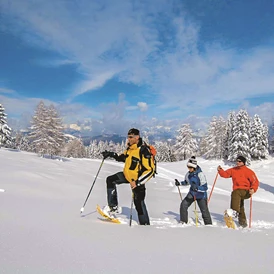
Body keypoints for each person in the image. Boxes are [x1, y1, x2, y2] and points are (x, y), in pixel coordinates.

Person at [101, 128, 154, 225]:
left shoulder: (143, 151)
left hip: (137, 181)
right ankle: (113, 207)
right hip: (126, 176)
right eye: (128, 137)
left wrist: (137, 182)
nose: (129, 139)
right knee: (110, 180)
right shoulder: (130, 148)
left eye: (131, 137)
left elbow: (150, 170)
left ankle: (145, 225)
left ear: (137, 137)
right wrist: (111, 154)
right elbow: (122, 158)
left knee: (139, 203)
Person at [217, 155, 259, 227]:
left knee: (236, 193)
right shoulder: (234, 170)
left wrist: (253, 189)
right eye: (237, 161)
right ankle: (243, 222)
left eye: (240, 161)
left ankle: (234, 212)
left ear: (243, 162)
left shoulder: (248, 171)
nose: (238, 162)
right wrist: (220, 170)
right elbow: (225, 174)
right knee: (240, 204)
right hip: (238, 191)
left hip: (246, 191)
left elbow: (255, 181)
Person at [175, 156, 212, 225]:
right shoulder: (188, 174)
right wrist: (179, 183)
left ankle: (209, 225)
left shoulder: (200, 174)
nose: (189, 169)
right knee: (183, 205)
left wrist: (197, 188)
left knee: (204, 211)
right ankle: (183, 222)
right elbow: (186, 182)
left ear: (194, 167)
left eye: (190, 167)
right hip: (192, 193)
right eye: (188, 167)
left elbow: (205, 187)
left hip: (201, 195)